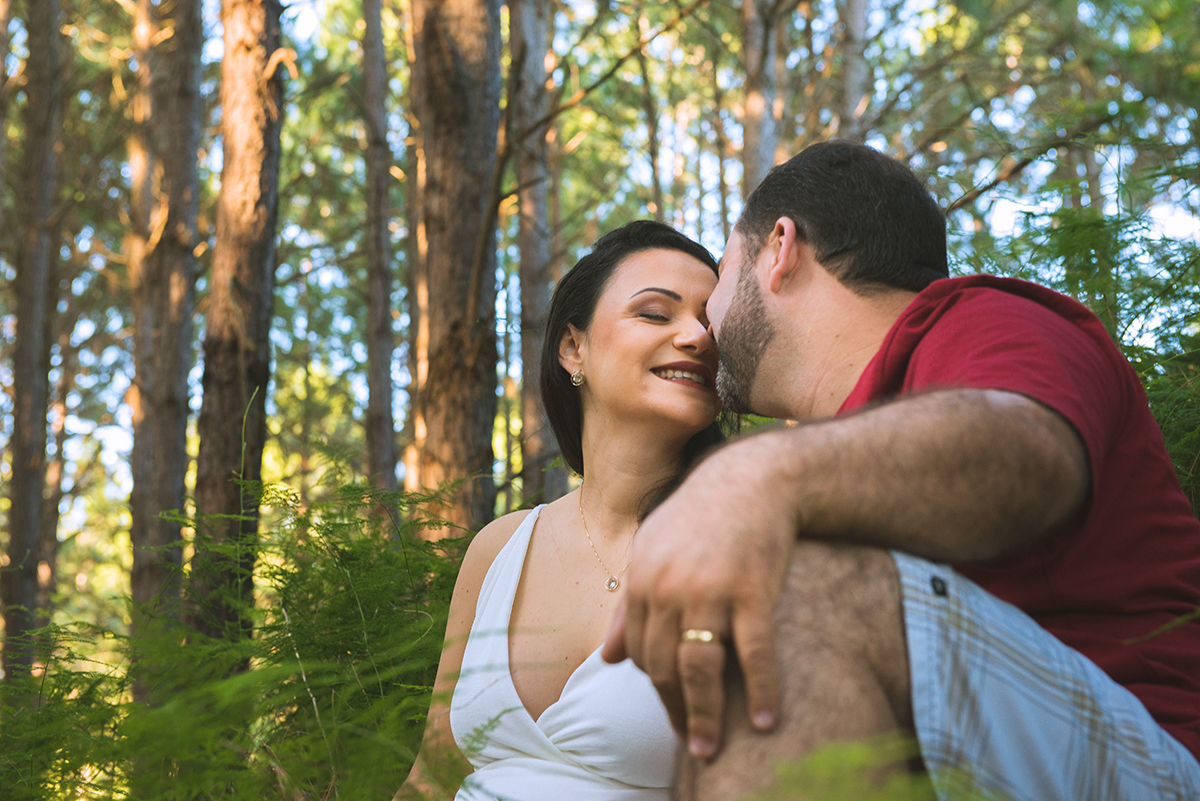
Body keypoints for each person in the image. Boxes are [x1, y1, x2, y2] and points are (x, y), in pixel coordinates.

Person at [601, 141, 1200, 800]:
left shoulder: (980, 317)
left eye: (719, 273)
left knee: (790, 591)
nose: (706, 323)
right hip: (989, 746)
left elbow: (1023, 455)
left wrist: (753, 473)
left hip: (1146, 752)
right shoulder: (847, 441)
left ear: (779, 249)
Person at [396, 220, 726, 800]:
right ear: (574, 348)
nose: (697, 336)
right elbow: (431, 774)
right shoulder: (498, 547)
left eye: (711, 320)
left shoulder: (741, 542)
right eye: (655, 313)